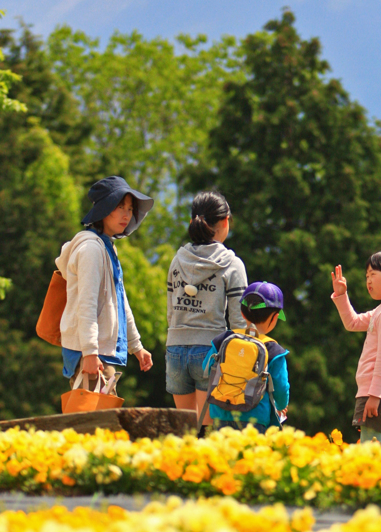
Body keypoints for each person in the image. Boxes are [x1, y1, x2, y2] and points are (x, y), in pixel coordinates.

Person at [56, 176, 154, 392]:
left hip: (99, 351)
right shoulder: (91, 249)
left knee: (101, 421)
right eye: (119, 207)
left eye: (130, 208)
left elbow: (120, 302)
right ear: (104, 209)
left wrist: (136, 347)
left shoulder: (106, 247)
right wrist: (90, 353)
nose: (126, 214)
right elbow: (87, 303)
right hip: (91, 353)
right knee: (97, 421)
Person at [166, 190, 248, 424]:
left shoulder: (177, 258)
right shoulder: (232, 264)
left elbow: (171, 312)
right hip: (210, 350)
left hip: (175, 348)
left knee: (184, 429)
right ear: (225, 221)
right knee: (205, 431)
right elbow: (239, 322)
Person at [331, 250, 381, 442]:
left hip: (378, 392)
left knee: (370, 447)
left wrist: (374, 396)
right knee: (374, 442)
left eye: (373, 274)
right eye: (367, 276)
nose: (368, 281)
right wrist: (341, 295)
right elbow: (353, 323)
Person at [202, 281, 289, 432]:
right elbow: (281, 388)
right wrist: (281, 406)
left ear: (242, 313)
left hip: (221, 414)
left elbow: (206, 368)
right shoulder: (273, 350)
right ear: (275, 318)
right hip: (255, 419)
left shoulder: (224, 338)